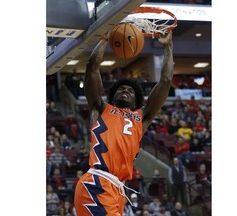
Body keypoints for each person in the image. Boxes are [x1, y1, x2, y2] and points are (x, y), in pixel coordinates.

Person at [74, 31, 174, 216]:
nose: (125, 91)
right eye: (121, 89)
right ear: (112, 96)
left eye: (130, 90)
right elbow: (92, 68)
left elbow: (166, 81)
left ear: (137, 100)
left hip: (116, 189)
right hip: (97, 184)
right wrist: (105, 36)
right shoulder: (100, 109)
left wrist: (168, 47)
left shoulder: (141, 118)